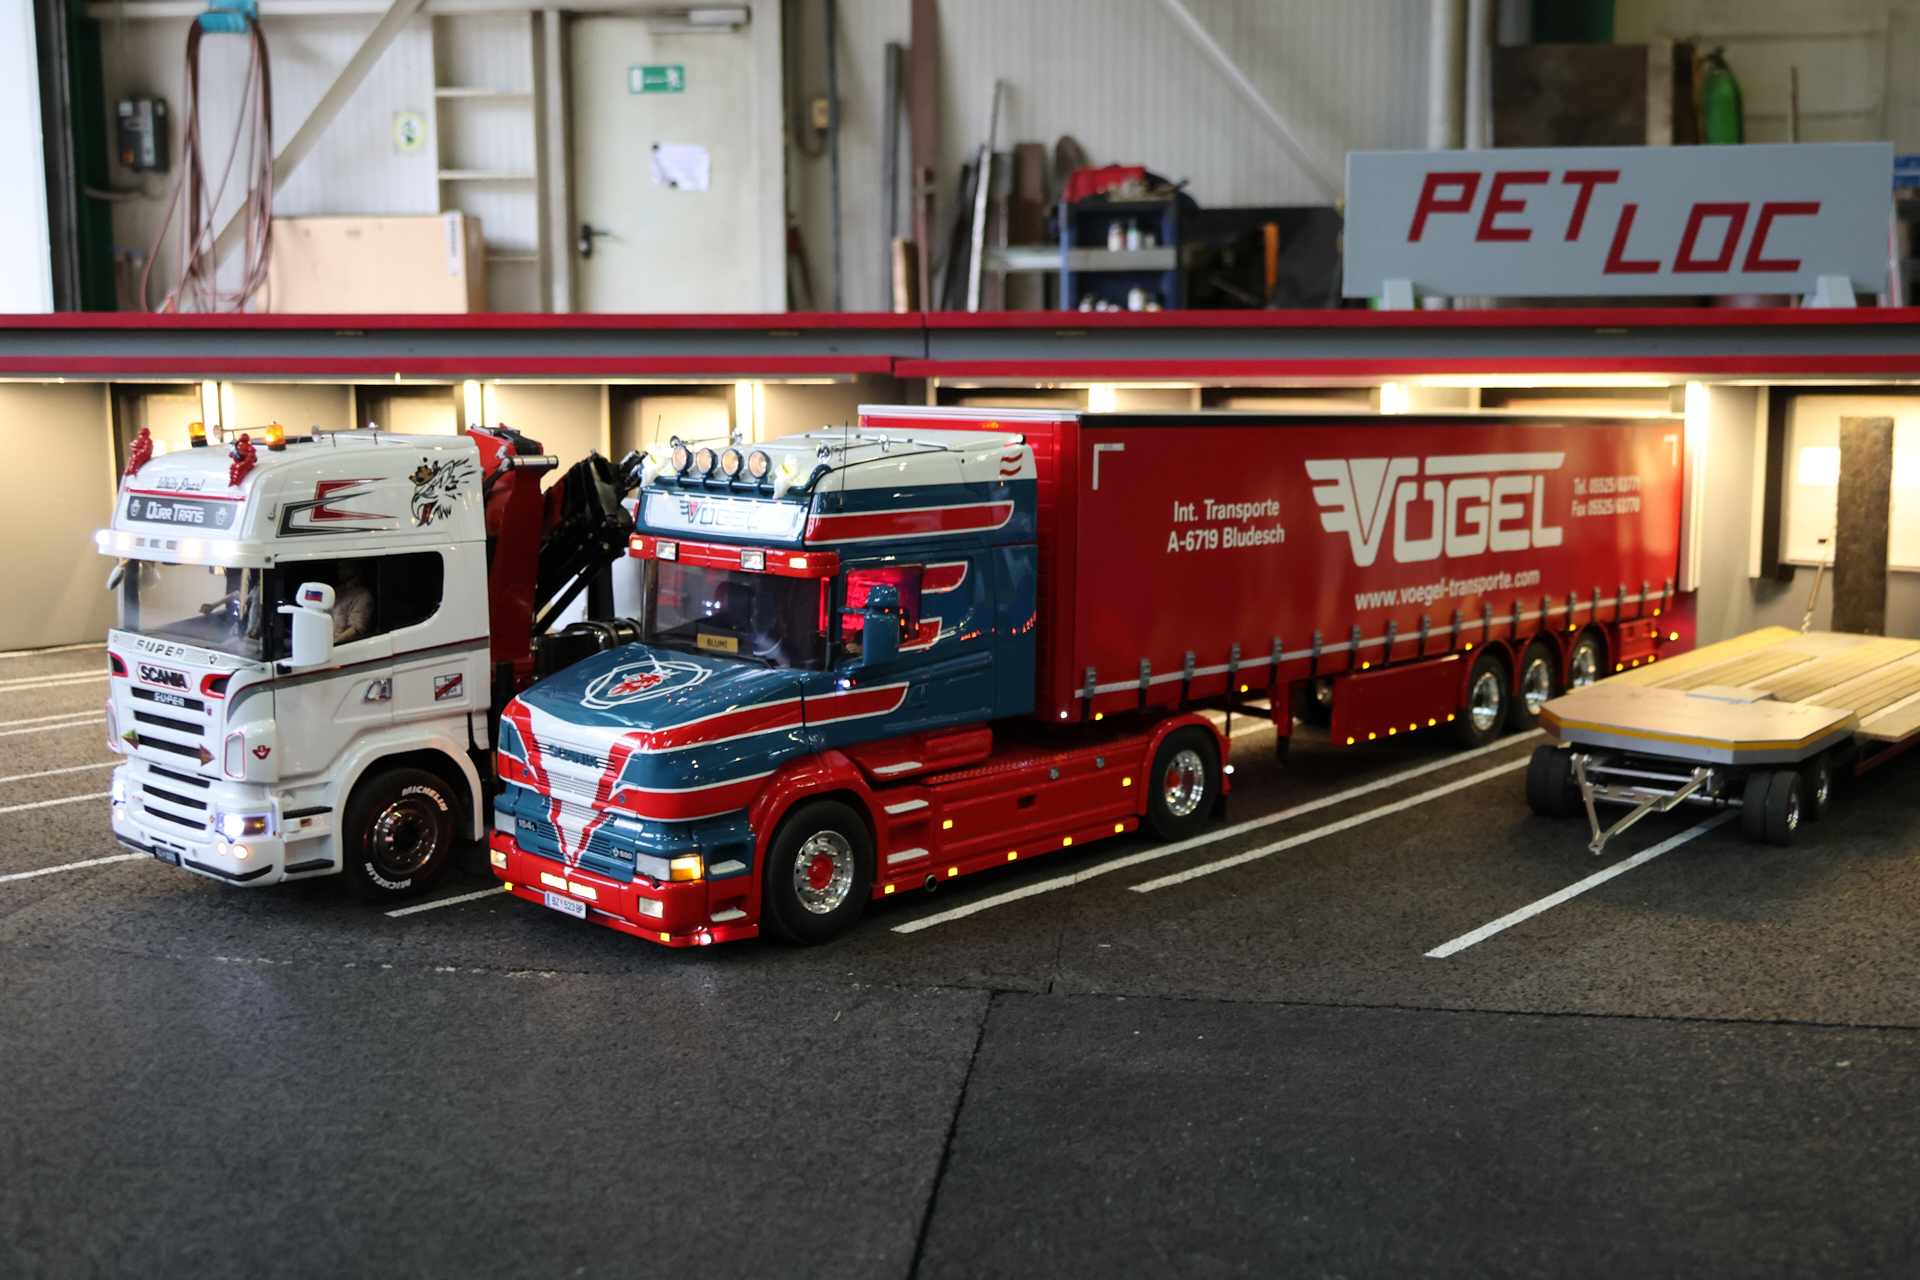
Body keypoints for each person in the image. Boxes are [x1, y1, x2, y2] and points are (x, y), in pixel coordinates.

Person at [329, 560, 375, 642]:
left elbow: (355, 628)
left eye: (345, 567)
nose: (340, 570)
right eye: (340, 567)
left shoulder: (363, 596)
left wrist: (333, 642)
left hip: (341, 644)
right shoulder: (338, 591)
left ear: (357, 569)